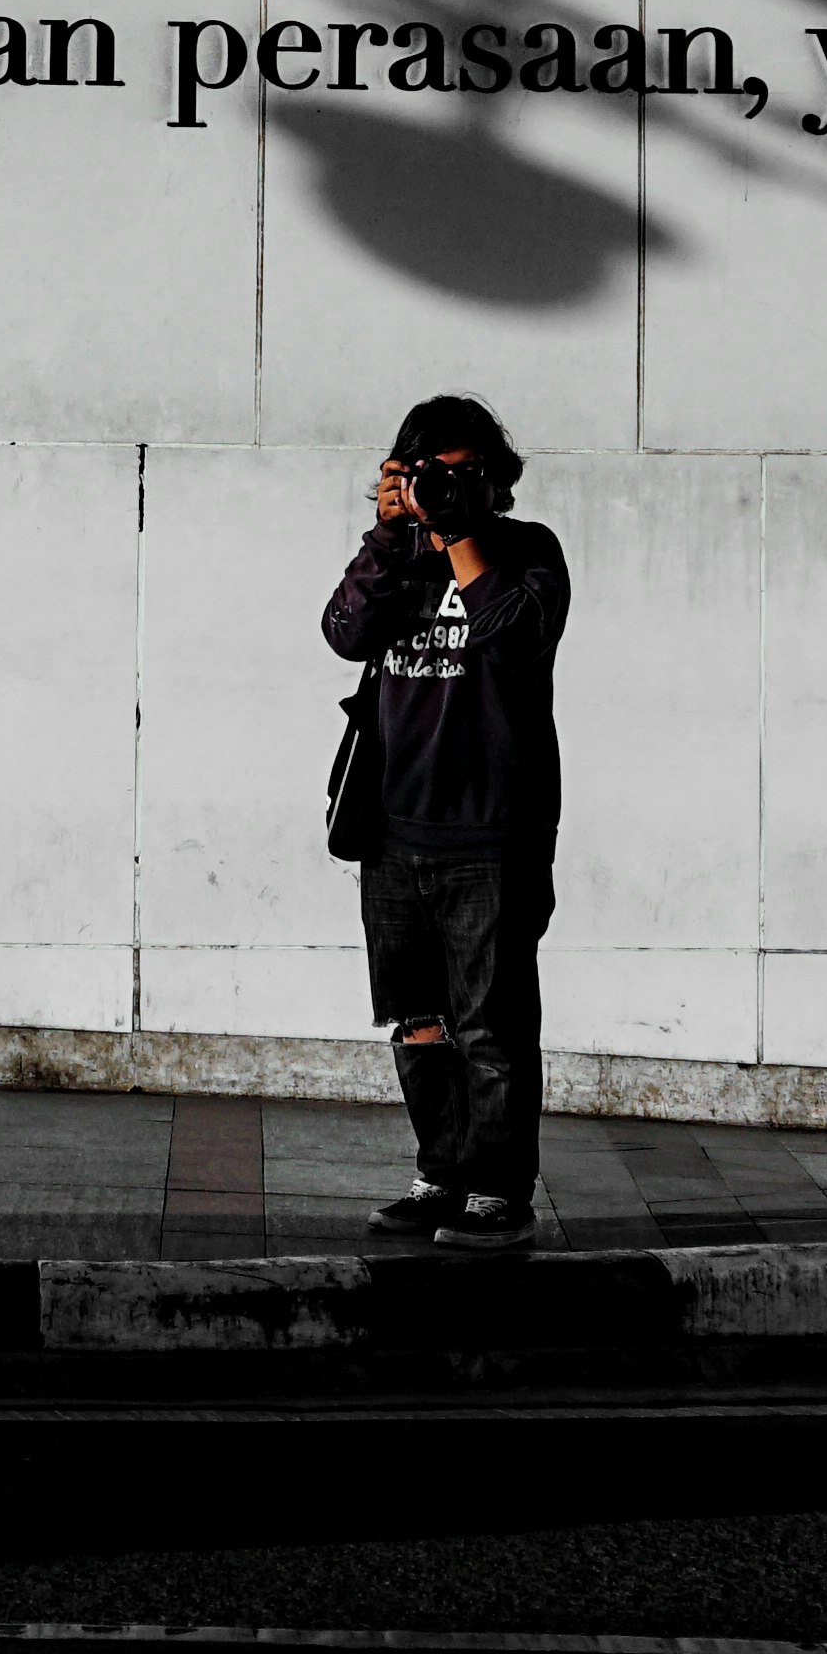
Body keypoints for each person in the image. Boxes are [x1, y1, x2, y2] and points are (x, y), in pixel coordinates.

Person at [320, 395, 569, 1253]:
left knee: (492, 1028)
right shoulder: (399, 558)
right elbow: (345, 633)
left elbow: (513, 634)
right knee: (419, 1020)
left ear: (496, 480)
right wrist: (393, 535)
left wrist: (461, 533)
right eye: (433, 474)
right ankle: (442, 1174)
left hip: (493, 836)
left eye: (466, 476)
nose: (449, 489)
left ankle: (499, 1192)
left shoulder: (528, 552)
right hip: (394, 835)